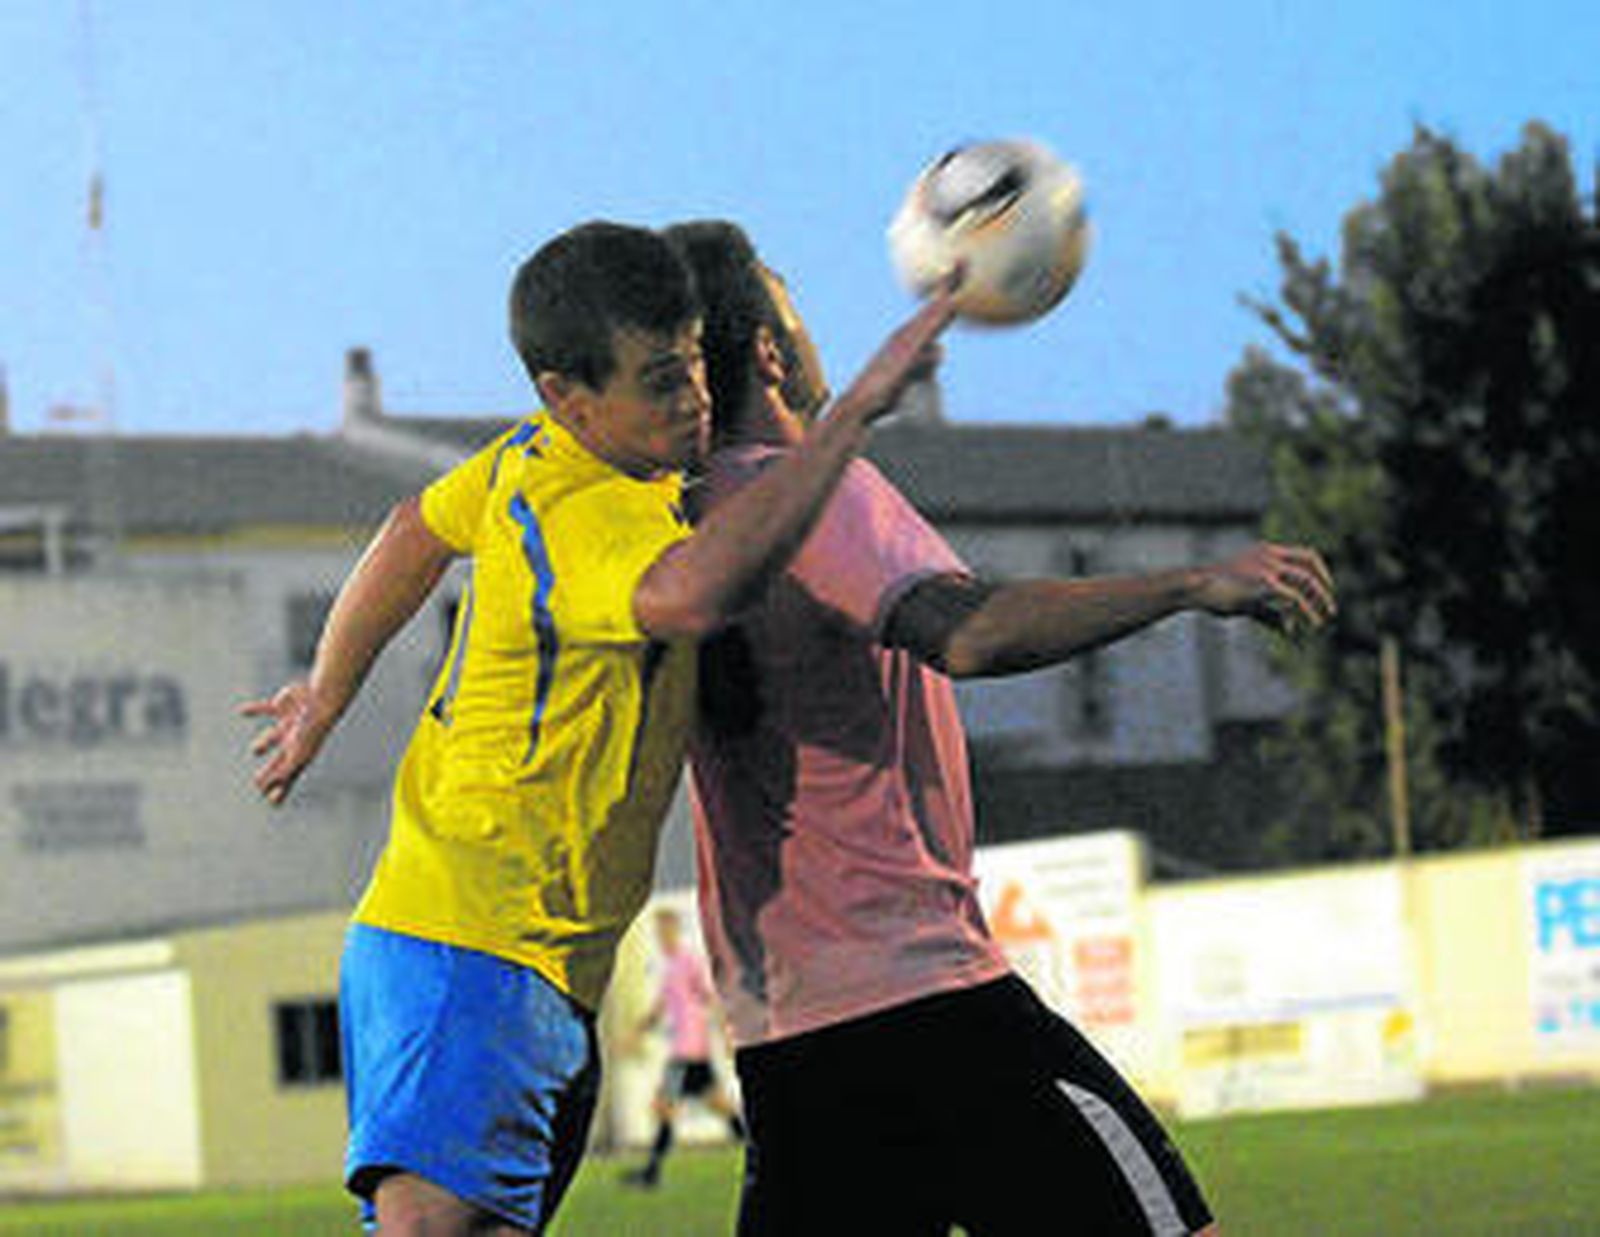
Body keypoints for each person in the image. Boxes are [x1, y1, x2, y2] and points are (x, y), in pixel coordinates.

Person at [242, 220, 957, 1237]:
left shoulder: (525, 463)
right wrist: (849, 420)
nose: (695, 397)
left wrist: (327, 687)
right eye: (660, 381)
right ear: (564, 398)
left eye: (695, 364)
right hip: (476, 948)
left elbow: (413, 532)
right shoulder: (588, 512)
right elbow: (692, 597)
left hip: (519, 960)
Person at [662, 219, 1338, 1237]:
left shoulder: (677, 529)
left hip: (788, 1046)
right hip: (932, 1017)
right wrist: (1192, 581)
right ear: (766, 349)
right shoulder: (807, 494)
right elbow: (965, 632)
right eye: (789, 304)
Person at [623, 907, 744, 1188]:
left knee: (663, 1106)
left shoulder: (688, 961)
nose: (661, 936)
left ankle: (651, 1174)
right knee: (719, 1105)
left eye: (664, 930)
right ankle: (757, 1151)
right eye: (658, 931)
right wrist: (637, 1031)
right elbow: (660, 1008)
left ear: (674, 930)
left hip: (688, 1048)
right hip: (688, 1050)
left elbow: (710, 997)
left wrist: (727, 1032)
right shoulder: (670, 966)